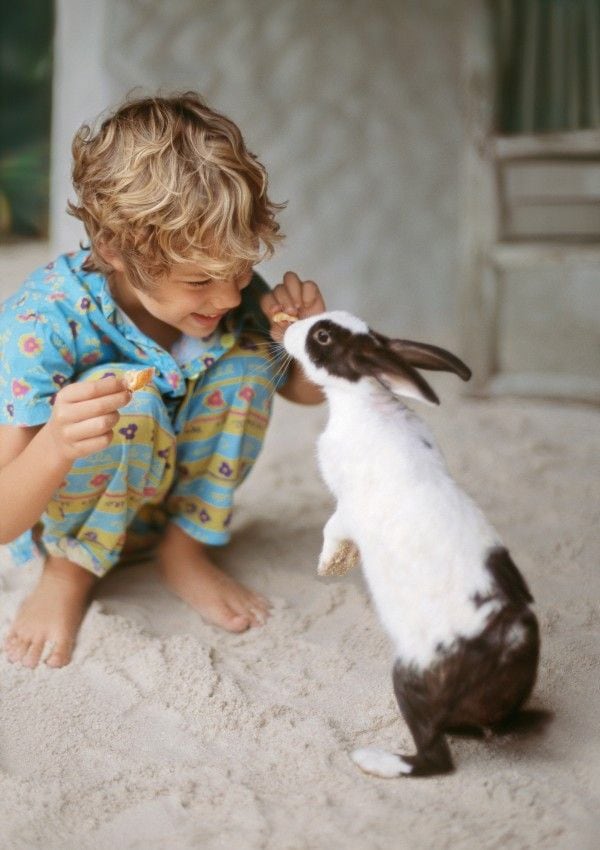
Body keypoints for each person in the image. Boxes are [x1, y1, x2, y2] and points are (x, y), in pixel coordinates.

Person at [0, 92, 326, 669]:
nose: (229, 296)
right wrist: (54, 442)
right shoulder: (42, 322)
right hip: (79, 513)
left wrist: (300, 343)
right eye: (201, 280)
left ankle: (184, 551)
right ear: (114, 248)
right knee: (128, 393)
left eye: (241, 270)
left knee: (249, 358)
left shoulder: (227, 293)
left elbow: (302, 393)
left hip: (169, 504)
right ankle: (69, 572)